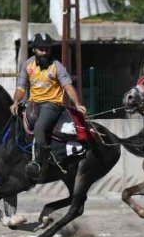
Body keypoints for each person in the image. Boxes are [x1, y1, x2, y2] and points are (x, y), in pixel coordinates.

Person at [10, 33, 88, 180]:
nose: (44, 52)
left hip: (52, 104)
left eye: (47, 49)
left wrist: (77, 104)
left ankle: (39, 161)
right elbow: (21, 87)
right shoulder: (27, 65)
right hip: (33, 103)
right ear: (34, 50)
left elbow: (69, 87)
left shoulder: (57, 66)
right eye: (41, 49)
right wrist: (15, 102)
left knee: (39, 127)